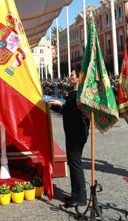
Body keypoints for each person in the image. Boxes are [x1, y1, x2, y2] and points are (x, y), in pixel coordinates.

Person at [48, 69, 90, 208]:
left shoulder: (80, 94)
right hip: (72, 132)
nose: (70, 77)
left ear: (79, 78)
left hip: (77, 133)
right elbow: (66, 112)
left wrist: (59, 105)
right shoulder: (74, 93)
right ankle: (75, 194)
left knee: (75, 163)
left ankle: (81, 197)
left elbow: (74, 113)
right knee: (73, 163)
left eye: (72, 75)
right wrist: (55, 106)